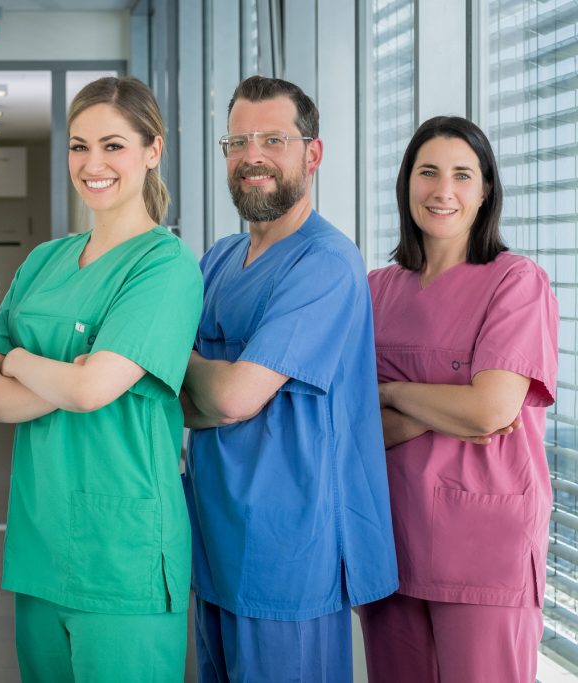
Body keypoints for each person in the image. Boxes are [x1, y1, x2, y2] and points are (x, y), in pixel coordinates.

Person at [181, 75, 399, 681]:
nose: (252, 156)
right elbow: (169, 395)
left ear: (313, 153)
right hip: (215, 539)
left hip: (288, 552)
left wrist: (189, 369)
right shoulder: (219, 259)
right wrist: (206, 386)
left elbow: (231, 396)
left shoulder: (326, 262)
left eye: (273, 140)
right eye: (238, 141)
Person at [0, 76, 203, 682]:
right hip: (41, 542)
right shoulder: (43, 261)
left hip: (123, 552)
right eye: (79, 147)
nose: (92, 164)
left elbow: (90, 391)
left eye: (113, 146)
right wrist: (70, 373)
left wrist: (18, 361)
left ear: (153, 150)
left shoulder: (164, 266)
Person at [359, 116, 558, 682]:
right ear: (406, 183)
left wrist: (392, 392)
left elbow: (490, 410)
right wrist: (452, 407)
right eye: (428, 172)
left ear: (486, 189)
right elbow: (351, 425)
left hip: (483, 550)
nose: (442, 190)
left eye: (462, 175)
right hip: (389, 541)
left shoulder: (516, 282)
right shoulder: (374, 290)